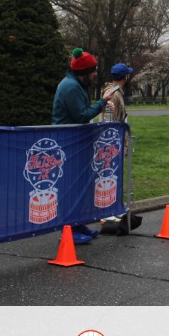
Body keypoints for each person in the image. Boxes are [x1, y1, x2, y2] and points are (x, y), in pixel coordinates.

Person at [52, 47, 115, 243]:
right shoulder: (71, 87)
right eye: (93, 70)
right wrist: (102, 102)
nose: (95, 74)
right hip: (68, 142)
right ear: (84, 72)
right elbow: (82, 115)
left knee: (78, 186)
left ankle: (77, 223)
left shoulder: (76, 85)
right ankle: (68, 230)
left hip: (75, 141)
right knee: (70, 187)